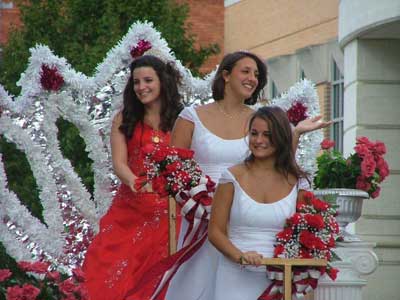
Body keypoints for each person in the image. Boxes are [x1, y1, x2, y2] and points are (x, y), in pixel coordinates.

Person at [164, 51, 329, 300]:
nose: (252, 78)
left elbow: (278, 166)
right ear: (226, 75)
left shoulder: (259, 119)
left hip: (249, 209)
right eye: (246, 71)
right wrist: (198, 202)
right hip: (199, 213)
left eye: (257, 74)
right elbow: (173, 167)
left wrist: (295, 134)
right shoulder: (192, 116)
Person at [82, 55, 183, 300]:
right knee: (113, 272)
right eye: (136, 82)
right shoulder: (124, 119)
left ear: (162, 82)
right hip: (131, 208)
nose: (141, 87)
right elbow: (119, 164)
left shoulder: (182, 120)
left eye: (148, 80)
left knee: (163, 277)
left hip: (170, 211)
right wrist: (138, 183)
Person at [208, 106, 310, 299]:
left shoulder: (298, 182)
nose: (259, 141)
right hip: (234, 276)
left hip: (279, 279)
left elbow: (303, 233)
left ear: (280, 138)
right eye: (254, 134)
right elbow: (215, 232)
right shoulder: (231, 176)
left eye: (267, 135)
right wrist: (241, 256)